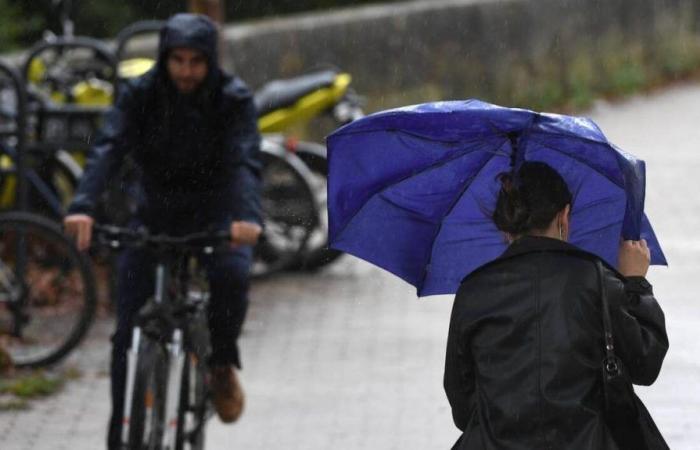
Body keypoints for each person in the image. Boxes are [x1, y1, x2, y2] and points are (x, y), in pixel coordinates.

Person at [63, 13, 262, 449]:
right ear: (164, 59)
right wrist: (83, 207)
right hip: (154, 214)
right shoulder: (140, 94)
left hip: (218, 214)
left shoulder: (233, 99)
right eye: (178, 60)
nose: (186, 71)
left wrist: (246, 218)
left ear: (210, 62)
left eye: (196, 61)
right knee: (126, 332)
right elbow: (108, 148)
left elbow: (245, 160)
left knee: (231, 277)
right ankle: (121, 436)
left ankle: (221, 365)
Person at [444, 161, 669, 449]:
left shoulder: (473, 290)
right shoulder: (596, 280)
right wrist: (635, 283)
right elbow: (646, 364)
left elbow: (462, 405)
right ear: (564, 216)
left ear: (506, 226)